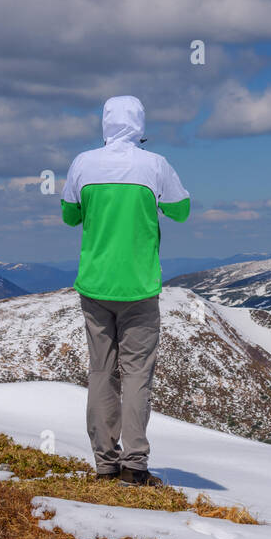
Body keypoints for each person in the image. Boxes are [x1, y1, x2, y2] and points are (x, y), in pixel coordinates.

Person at [61, 96, 190, 486]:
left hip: (95, 285)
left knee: (101, 372)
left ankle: (104, 464)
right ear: (139, 125)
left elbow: (70, 217)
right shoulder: (155, 165)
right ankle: (135, 466)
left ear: (105, 124)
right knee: (136, 376)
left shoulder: (83, 163)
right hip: (139, 286)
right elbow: (182, 210)